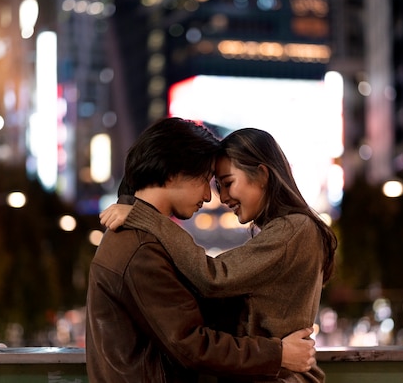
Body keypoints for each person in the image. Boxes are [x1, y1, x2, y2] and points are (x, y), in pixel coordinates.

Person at [86, 118, 317, 383]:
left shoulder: (141, 239)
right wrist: (278, 355)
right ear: (174, 172)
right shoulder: (140, 247)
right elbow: (192, 343)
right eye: (206, 180)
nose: (210, 197)